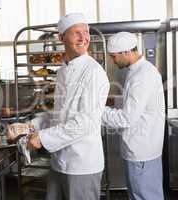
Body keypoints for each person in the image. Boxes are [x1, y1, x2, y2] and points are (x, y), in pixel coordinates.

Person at [8, 13, 109, 200]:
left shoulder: (94, 72)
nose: (83, 38)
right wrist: (33, 125)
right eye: (76, 33)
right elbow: (60, 113)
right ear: (61, 38)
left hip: (82, 163)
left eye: (86, 32)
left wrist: (42, 138)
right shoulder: (63, 70)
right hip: (59, 161)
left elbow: (84, 123)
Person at [102, 31, 165, 200]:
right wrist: (112, 103)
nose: (112, 61)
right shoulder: (138, 71)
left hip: (141, 150)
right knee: (140, 195)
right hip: (142, 148)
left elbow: (127, 118)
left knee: (144, 196)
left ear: (126, 52)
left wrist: (97, 112)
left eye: (114, 56)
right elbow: (137, 105)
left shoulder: (142, 76)